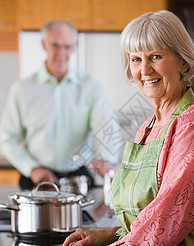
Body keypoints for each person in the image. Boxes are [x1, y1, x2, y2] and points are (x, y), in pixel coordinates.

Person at [36, 10, 194, 246]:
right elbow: (145, 215)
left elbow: (166, 221)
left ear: (183, 60)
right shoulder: (148, 128)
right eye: (136, 59)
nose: (145, 70)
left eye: (156, 57)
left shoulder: (192, 127)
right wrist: (106, 235)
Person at [0, 20, 121, 190]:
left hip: (78, 178)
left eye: (68, 47)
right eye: (55, 45)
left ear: (74, 47)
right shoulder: (22, 90)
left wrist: (109, 158)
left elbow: (107, 125)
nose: (61, 53)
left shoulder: (89, 86)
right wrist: (32, 168)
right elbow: (7, 138)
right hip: (35, 178)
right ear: (44, 44)